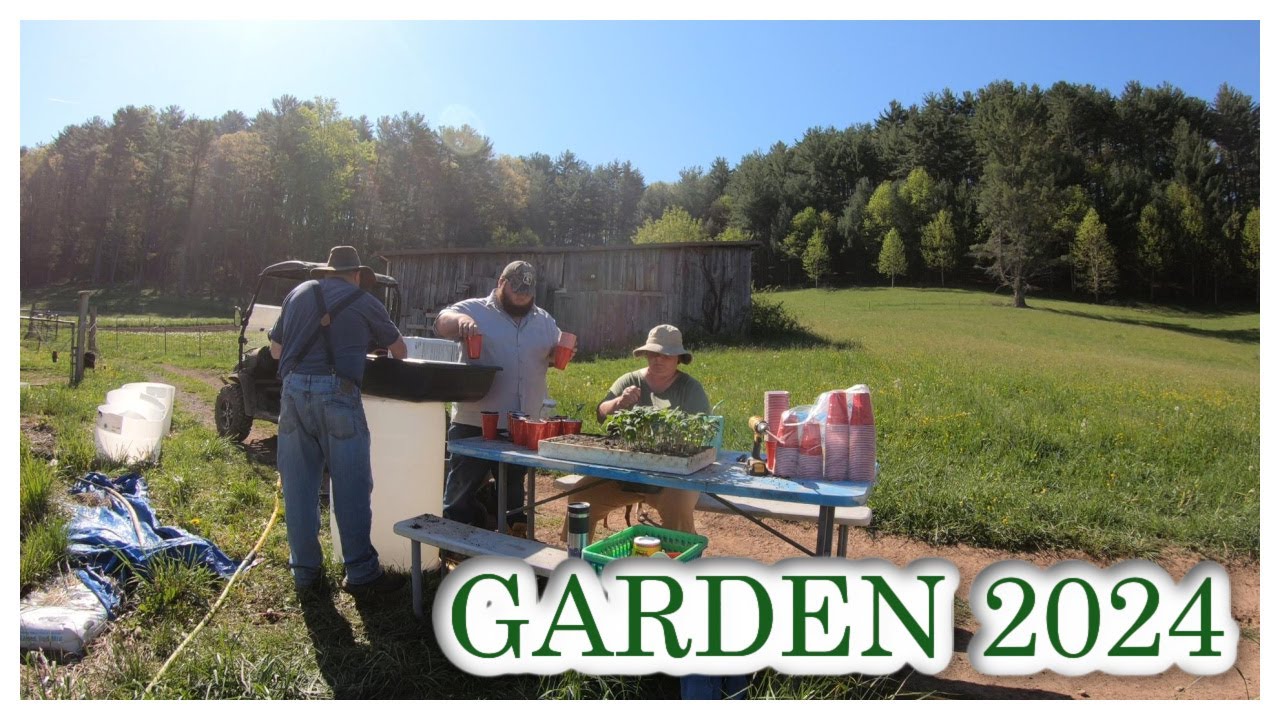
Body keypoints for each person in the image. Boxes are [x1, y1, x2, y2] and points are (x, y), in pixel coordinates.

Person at [269, 246, 408, 596]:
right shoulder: (365, 300)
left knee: (299, 487)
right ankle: (361, 573)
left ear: (328, 271)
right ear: (357, 275)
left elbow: (275, 350)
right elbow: (400, 350)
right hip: (338, 395)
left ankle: (305, 574)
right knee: (350, 486)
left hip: (292, 393)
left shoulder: (298, 292)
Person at [434, 260, 564, 533]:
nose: (522, 297)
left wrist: (561, 353)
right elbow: (441, 323)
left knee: (513, 495)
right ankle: (452, 544)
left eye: (527, 292)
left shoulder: (544, 320)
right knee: (461, 491)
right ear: (501, 283)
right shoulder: (476, 309)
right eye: (516, 290)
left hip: (522, 426)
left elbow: (557, 350)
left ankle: (510, 544)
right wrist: (461, 322)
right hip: (475, 423)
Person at [564, 324, 710, 541]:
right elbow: (601, 413)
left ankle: (681, 556)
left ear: (678, 358)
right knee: (581, 498)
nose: (658, 359)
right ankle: (575, 553)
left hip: (674, 477)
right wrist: (619, 402)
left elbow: (704, 431)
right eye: (653, 353)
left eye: (666, 355)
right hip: (625, 472)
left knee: (678, 511)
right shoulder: (630, 380)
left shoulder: (690, 388)